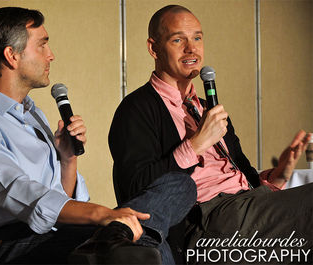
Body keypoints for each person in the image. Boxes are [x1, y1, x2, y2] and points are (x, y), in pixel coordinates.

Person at [0, 7, 196, 264]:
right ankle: (115, 236)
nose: (50, 56)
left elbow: (62, 200)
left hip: (59, 233)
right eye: (42, 46)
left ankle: (114, 236)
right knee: (143, 242)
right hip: (10, 244)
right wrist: (103, 214)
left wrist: (67, 159)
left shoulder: (33, 114)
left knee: (180, 185)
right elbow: (21, 193)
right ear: (11, 56)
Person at [108, 5, 312, 264]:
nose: (191, 49)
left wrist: (277, 176)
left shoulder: (207, 107)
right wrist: (195, 145)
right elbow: (136, 187)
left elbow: (240, 178)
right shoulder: (136, 108)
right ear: (153, 48)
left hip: (246, 209)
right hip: (205, 223)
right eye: (178, 39)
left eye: (197, 38)